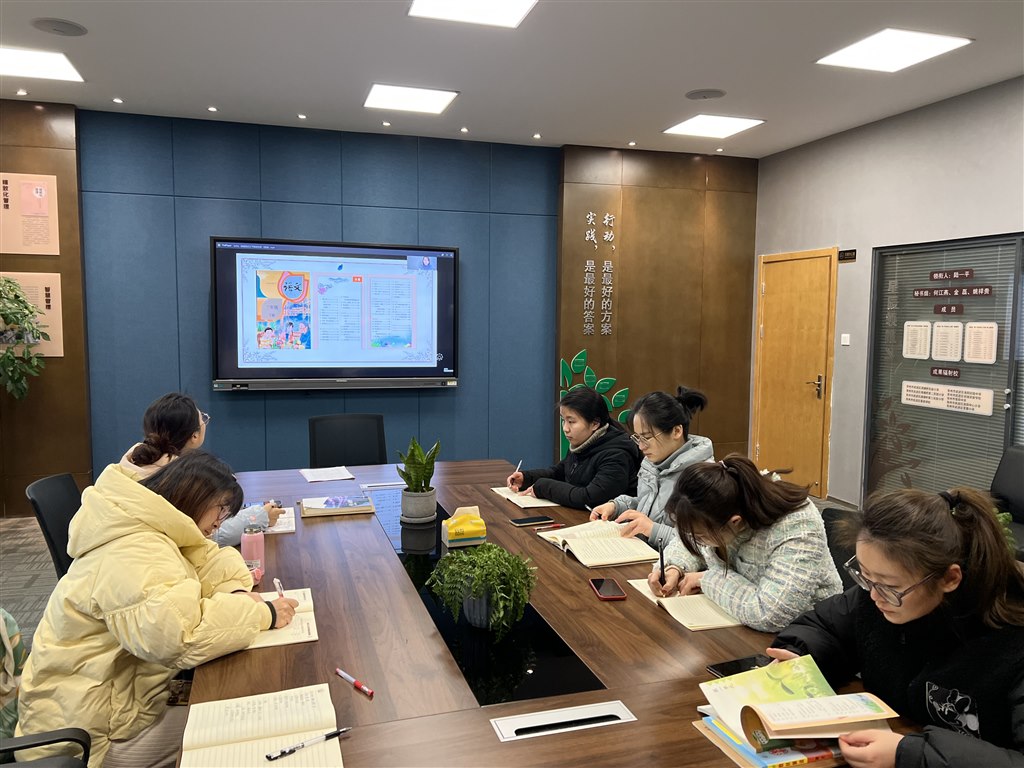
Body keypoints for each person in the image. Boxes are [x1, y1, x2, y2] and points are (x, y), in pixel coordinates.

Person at [15, 452, 299, 767]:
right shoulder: (135, 549)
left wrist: (236, 592)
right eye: (220, 509)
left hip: (110, 702)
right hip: (86, 739)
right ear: (194, 496)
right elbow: (182, 637)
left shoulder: (147, 519)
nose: (220, 523)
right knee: (247, 726)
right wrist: (263, 614)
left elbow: (207, 558)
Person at [768, 487, 1024, 767]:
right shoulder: (880, 594)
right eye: (865, 575)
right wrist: (800, 656)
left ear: (949, 579)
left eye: (889, 586)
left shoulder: (1011, 643)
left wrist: (907, 753)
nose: (873, 595)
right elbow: (825, 626)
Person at [647, 454, 842, 632]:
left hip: (810, 634)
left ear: (735, 522)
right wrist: (674, 567)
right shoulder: (725, 500)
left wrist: (706, 579)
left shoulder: (797, 525)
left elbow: (770, 614)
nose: (695, 540)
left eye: (699, 536)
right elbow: (693, 537)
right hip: (736, 622)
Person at [119, 392, 281, 545]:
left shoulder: (133, 460)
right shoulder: (180, 478)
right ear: (194, 435)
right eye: (203, 418)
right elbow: (209, 535)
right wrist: (260, 516)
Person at [589, 386, 713, 550]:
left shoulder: (704, 477)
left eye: (646, 437)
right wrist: (617, 506)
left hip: (672, 563)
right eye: (637, 438)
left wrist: (653, 530)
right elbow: (649, 506)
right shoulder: (653, 462)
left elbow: (708, 546)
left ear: (676, 431)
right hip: (642, 552)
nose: (641, 446)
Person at [506, 387, 640, 509]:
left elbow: (590, 499)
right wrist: (527, 478)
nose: (565, 428)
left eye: (571, 422)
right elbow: (561, 472)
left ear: (595, 423)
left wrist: (543, 487)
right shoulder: (583, 442)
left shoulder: (616, 455)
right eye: (563, 420)